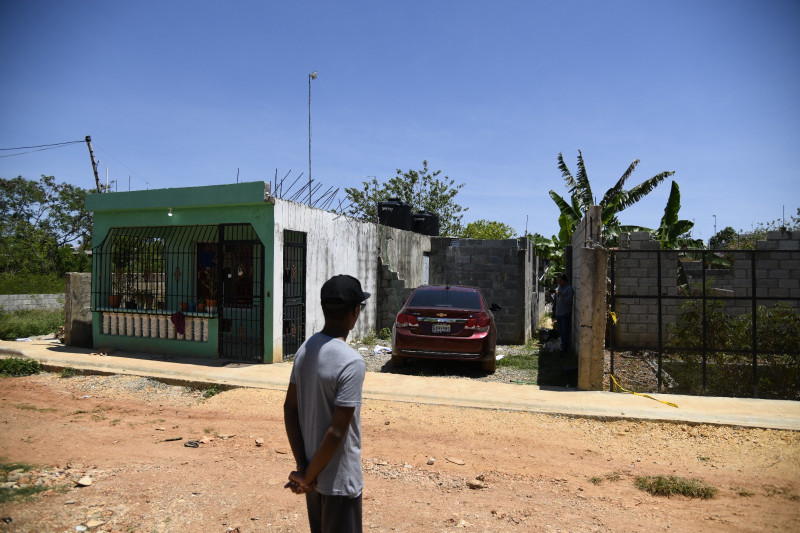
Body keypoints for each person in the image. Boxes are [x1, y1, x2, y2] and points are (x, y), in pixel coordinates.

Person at [284, 274, 369, 533]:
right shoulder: (351, 362)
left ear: (324, 309)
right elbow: (336, 431)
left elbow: (290, 408)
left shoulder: (306, 349)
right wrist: (306, 476)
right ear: (355, 312)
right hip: (339, 482)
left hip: (313, 476)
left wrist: (304, 470)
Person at [554, 274, 574, 353]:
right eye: (558, 281)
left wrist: (560, 294)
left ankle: (565, 349)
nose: (558, 282)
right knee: (561, 332)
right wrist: (550, 295)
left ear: (565, 280)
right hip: (558, 313)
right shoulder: (559, 288)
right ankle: (563, 347)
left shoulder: (569, 289)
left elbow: (569, 301)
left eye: (560, 281)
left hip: (565, 314)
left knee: (565, 331)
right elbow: (555, 300)